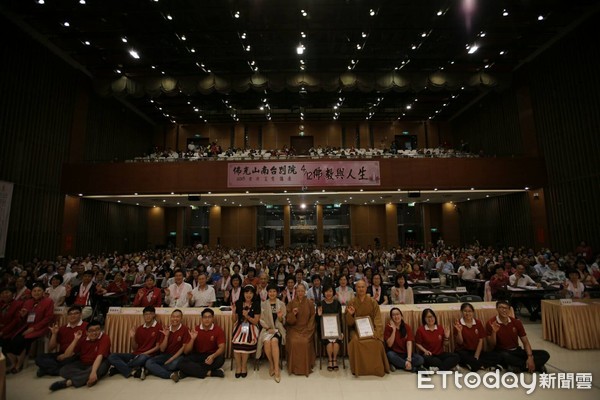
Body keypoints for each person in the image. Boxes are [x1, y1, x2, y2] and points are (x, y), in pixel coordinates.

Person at [486, 300, 550, 373]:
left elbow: (525, 342)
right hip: (501, 352)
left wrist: (530, 357)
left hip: (516, 351)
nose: (504, 310)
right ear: (497, 309)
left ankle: (519, 366)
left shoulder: (516, 322)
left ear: (509, 310)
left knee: (545, 354)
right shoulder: (491, 323)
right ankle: (536, 366)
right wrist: (494, 332)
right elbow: (491, 345)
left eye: (506, 308)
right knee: (503, 356)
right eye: (501, 307)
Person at [48, 320, 111, 391]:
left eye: (97, 330)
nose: (94, 333)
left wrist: (93, 372)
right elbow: (67, 354)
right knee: (63, 371)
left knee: (98, 369)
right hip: (83, 363)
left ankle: (69, 382)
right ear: (86, 332)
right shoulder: (83, 339)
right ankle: (86, 377)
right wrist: (75, 339)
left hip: (99, 362)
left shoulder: (105, 338)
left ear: (100, 330)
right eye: (91, 331)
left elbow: (100, 356)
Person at [6, 283, 54, 373]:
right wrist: (22, 316)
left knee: (23, 340)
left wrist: (34, 328)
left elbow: (48, 318)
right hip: (26, 326)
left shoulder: (48, 301)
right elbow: (22, 319)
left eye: (39, 290)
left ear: (43, 292)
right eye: (34, 291)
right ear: (31, 292)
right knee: (11, 340)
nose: (36, 293)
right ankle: (14, 363)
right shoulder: (28, 302)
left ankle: (18, 365)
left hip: (41, 327)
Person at [345, 280, 390, 377]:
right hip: (356, 330)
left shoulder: (373, 302)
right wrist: (351, 314)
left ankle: (375, 369)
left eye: (363, 287)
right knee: (355, 341)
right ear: (355, 289)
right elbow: (349, 323)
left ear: (366, 288)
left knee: (377, 342)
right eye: (358, 287)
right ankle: (359, 369)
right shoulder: (351, 302)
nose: (361, 289)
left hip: (371, 329)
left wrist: (377, 332)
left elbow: (377, 319)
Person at [107, 306, 163, 379]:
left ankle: (119, 368)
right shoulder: (140, 328)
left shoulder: (159, 327)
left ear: (153, 315)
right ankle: (132, 371)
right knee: (112, 356)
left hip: (148, 355)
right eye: (146, 314)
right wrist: (132, 337)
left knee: (142, 358)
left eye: (150, 314)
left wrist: (143, 353)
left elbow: (157, 347)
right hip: (135, 355)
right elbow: (134, 348)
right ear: (143, 316)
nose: (148, 316)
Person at [174, 308, 226, 381]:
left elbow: (222, 348)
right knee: (181, 362)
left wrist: (213, 356)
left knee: (221, 359)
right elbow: (186, 351)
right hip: (198, 355)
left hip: (212, 356)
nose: (207, 319)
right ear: (201, 318)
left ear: (213, 318)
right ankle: (210, 373)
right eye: (205, 317)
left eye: (209, 317)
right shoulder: (196, 329)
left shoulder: (218, 330)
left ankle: (188, 371)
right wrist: (192, 339)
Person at [36, 306, 88, 377]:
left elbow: (83, 347)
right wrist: (54, 334)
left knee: (69, 361)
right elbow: (51, 348)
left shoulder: (86, 326)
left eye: (76, 313)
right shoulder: (63, 328)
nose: (73, 316)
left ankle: (46, 369)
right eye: (70, 314)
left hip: (75, 355)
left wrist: (65, 356)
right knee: (40, 357)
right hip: (61, 354)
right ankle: (55, 370)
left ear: (81, 315)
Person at [453, 303, 501, 371]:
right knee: (459, 356)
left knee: (497, 356)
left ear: (473, 312)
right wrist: (459, 332)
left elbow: (481, 340)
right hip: (463, 351)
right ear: (461, 312)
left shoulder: (478, 322)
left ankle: (474, 365)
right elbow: (460, 342)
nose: (467, 313)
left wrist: (476, 355)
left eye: (470, 311)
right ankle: (481, 365)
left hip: (475, 351)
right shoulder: (458, 324)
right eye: (465, 311)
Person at [145, 309, 191, 380]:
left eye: (177, 317)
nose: (175, 319)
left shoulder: (185, 329)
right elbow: (162, 349)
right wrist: (166, 336)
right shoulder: (166, 329)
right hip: (165, 355)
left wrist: (171, 359)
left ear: (181, 318)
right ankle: (170, 375)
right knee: (148, 362)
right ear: (170, 317)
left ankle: (151, 370)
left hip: (178, 356)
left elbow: (183, 348)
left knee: (173, 365)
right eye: (173, 317)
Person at [257, 284, 286, 382]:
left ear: (277, 293)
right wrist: (268, 328)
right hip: (267, 329)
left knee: (274, 341)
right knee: (266, 342)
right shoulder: (263, 304)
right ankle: (271, 364)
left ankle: (276, 369)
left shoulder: (281, 304)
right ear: (267, 293)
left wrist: (281, 317)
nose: (272, 293)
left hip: (278, 329)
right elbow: (261, 320)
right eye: (270, 292)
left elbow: (283, 321)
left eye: (274, 291)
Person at [285, 283, 316, 376]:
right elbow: (288, 320)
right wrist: (293, 314)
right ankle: (293, 367)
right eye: (298, 291)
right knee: (294, 341)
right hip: (294, 329)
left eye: (302, 291)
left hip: (306, 329)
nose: (300, 293)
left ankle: (306, 367)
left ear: (305, 291)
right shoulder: (291, 303)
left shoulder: (310, 303)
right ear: (296, 291)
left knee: (305, 342)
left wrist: (308, 330)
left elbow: (312, 317)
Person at [232, 285, 261, 378]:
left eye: (251, 293)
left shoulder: (256, 304)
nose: (248, 295)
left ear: (253, 294)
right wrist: (233, 312)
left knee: (244, 340)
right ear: (243, 293)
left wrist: (247, 316)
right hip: (241, 325)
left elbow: (256, 321)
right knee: (236, 340)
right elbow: (234, 320)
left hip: (251, 326)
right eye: (246, 292)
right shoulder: (238, 303)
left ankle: (244, 366)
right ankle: (238, 366)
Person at [384, 307, 424, 372]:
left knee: (420, 359)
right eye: (393, 315)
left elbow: (409, 343)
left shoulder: (406, 327)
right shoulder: (388, 327)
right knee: (389, 355)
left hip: (405, 354)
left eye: (398, 314)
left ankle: (399, 365)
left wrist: (409, 358)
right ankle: (411, 367)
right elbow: (389, 345)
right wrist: (394, 330)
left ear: (401, 316)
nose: (396, 316)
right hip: (395, 353)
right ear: (391, 318)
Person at [318, 285, 343, 371]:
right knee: (329, 343)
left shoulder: (337, 303)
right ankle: (330, 359)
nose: (328, 293)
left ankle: (334, 359)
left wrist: (341, 332)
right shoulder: (320, 303)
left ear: (333, 292)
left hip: (336, 329)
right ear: (323, 293)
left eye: (330, 291)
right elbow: (317, 321)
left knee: (335, 343)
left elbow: (340, 319)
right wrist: (318, 315)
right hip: (324, 330)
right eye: (326, 291)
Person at [0, 287, 23, 358]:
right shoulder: (1, 304)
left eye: (7, 292)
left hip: (12, 330)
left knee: (5, 341)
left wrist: (3, 331)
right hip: (1, 329)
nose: (4, 295)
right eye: (2, 293)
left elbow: (15, 321)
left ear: (13, 294)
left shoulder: (18, 304)